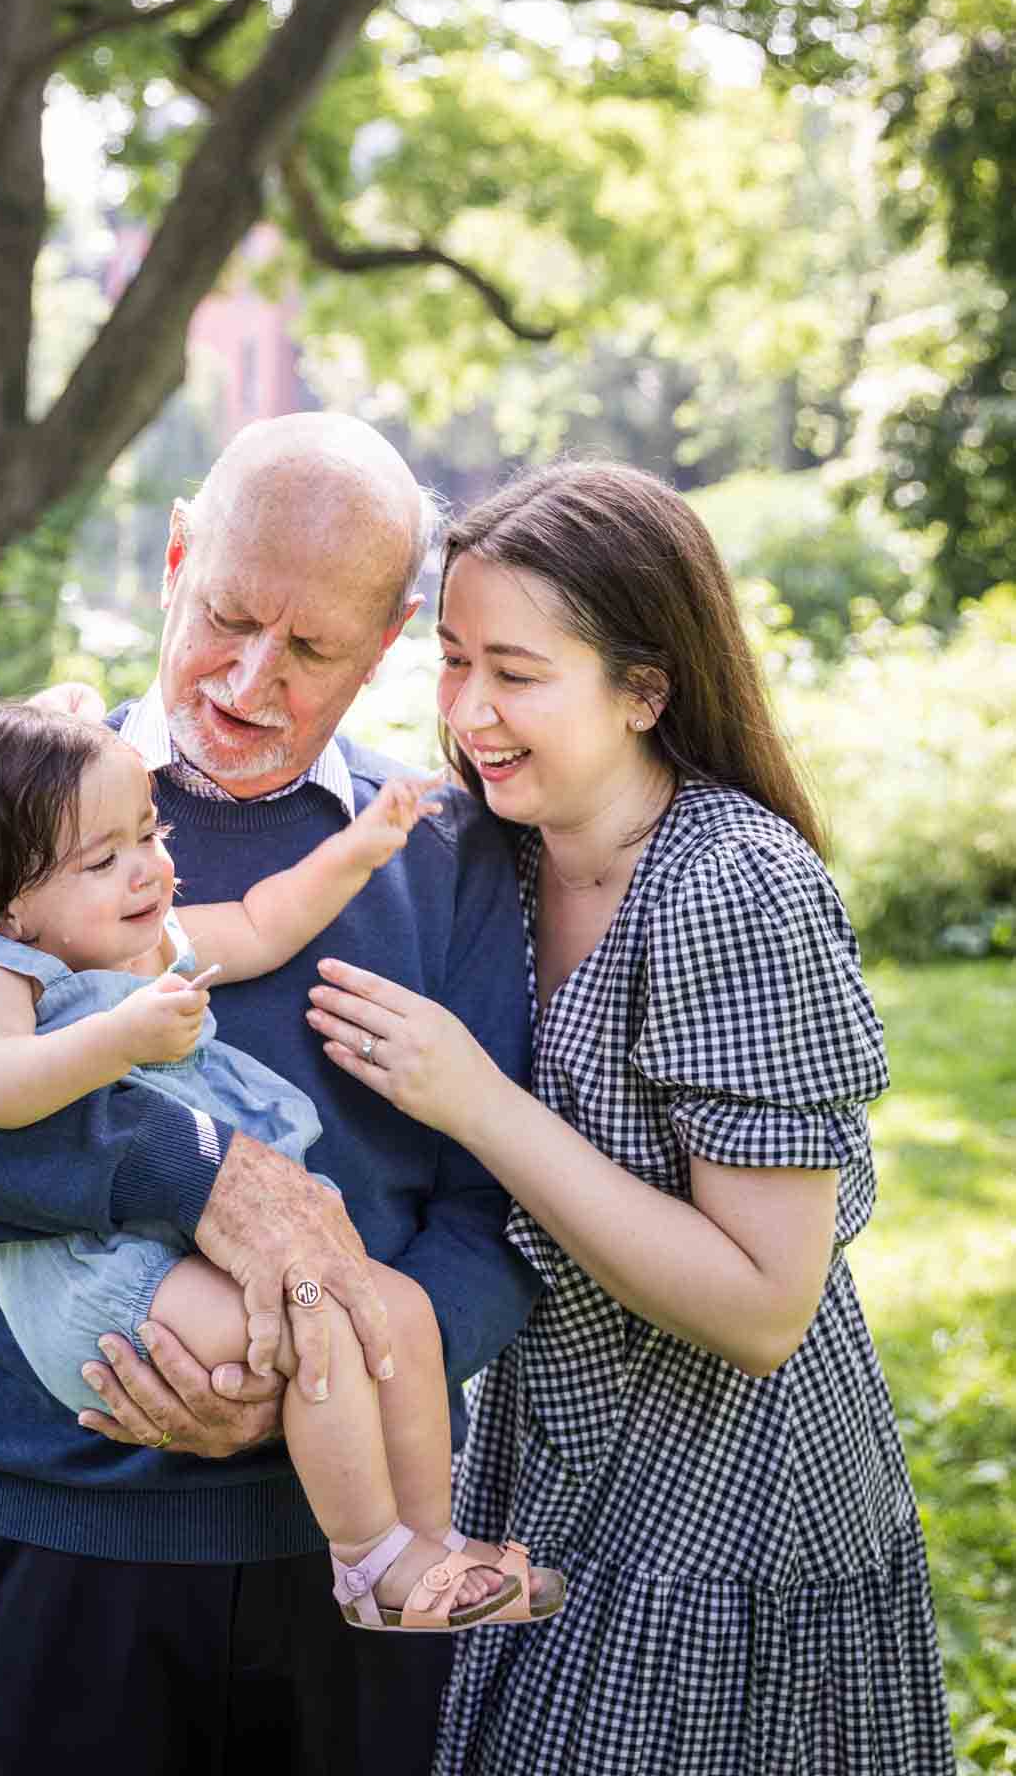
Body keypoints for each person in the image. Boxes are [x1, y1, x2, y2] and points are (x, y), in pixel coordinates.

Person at [0, 414, 542, 1774]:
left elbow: (505, 1207)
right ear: (177, 555)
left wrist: (331, 1348)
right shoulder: (4, 803)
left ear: (388, 638)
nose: (248, 679)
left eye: (307, 651)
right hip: (60, 1533)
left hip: (349, 1539)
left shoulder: (447, 855)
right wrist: (178, 1165)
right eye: (227, 616)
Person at [306, 459, 956, 1774]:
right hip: (542, 1463)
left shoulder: (733, 892)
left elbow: (765, 1308)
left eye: (517, 672)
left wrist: (479, 1104)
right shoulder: (477, 855)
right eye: (449, 661)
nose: (469, 712)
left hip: (733, 1510)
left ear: (644, 691)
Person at [0, 698, 561, 1632]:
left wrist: (362, 847)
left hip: (191, 1257)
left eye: (148, 832)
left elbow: (265, 921)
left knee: (395, 1313)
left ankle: (427, 1543)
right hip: (104, 1280)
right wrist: (120, 1037)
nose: (148, 866)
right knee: (319, 1329)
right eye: (102, 859)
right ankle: (368, 1565)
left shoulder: (144, 938)